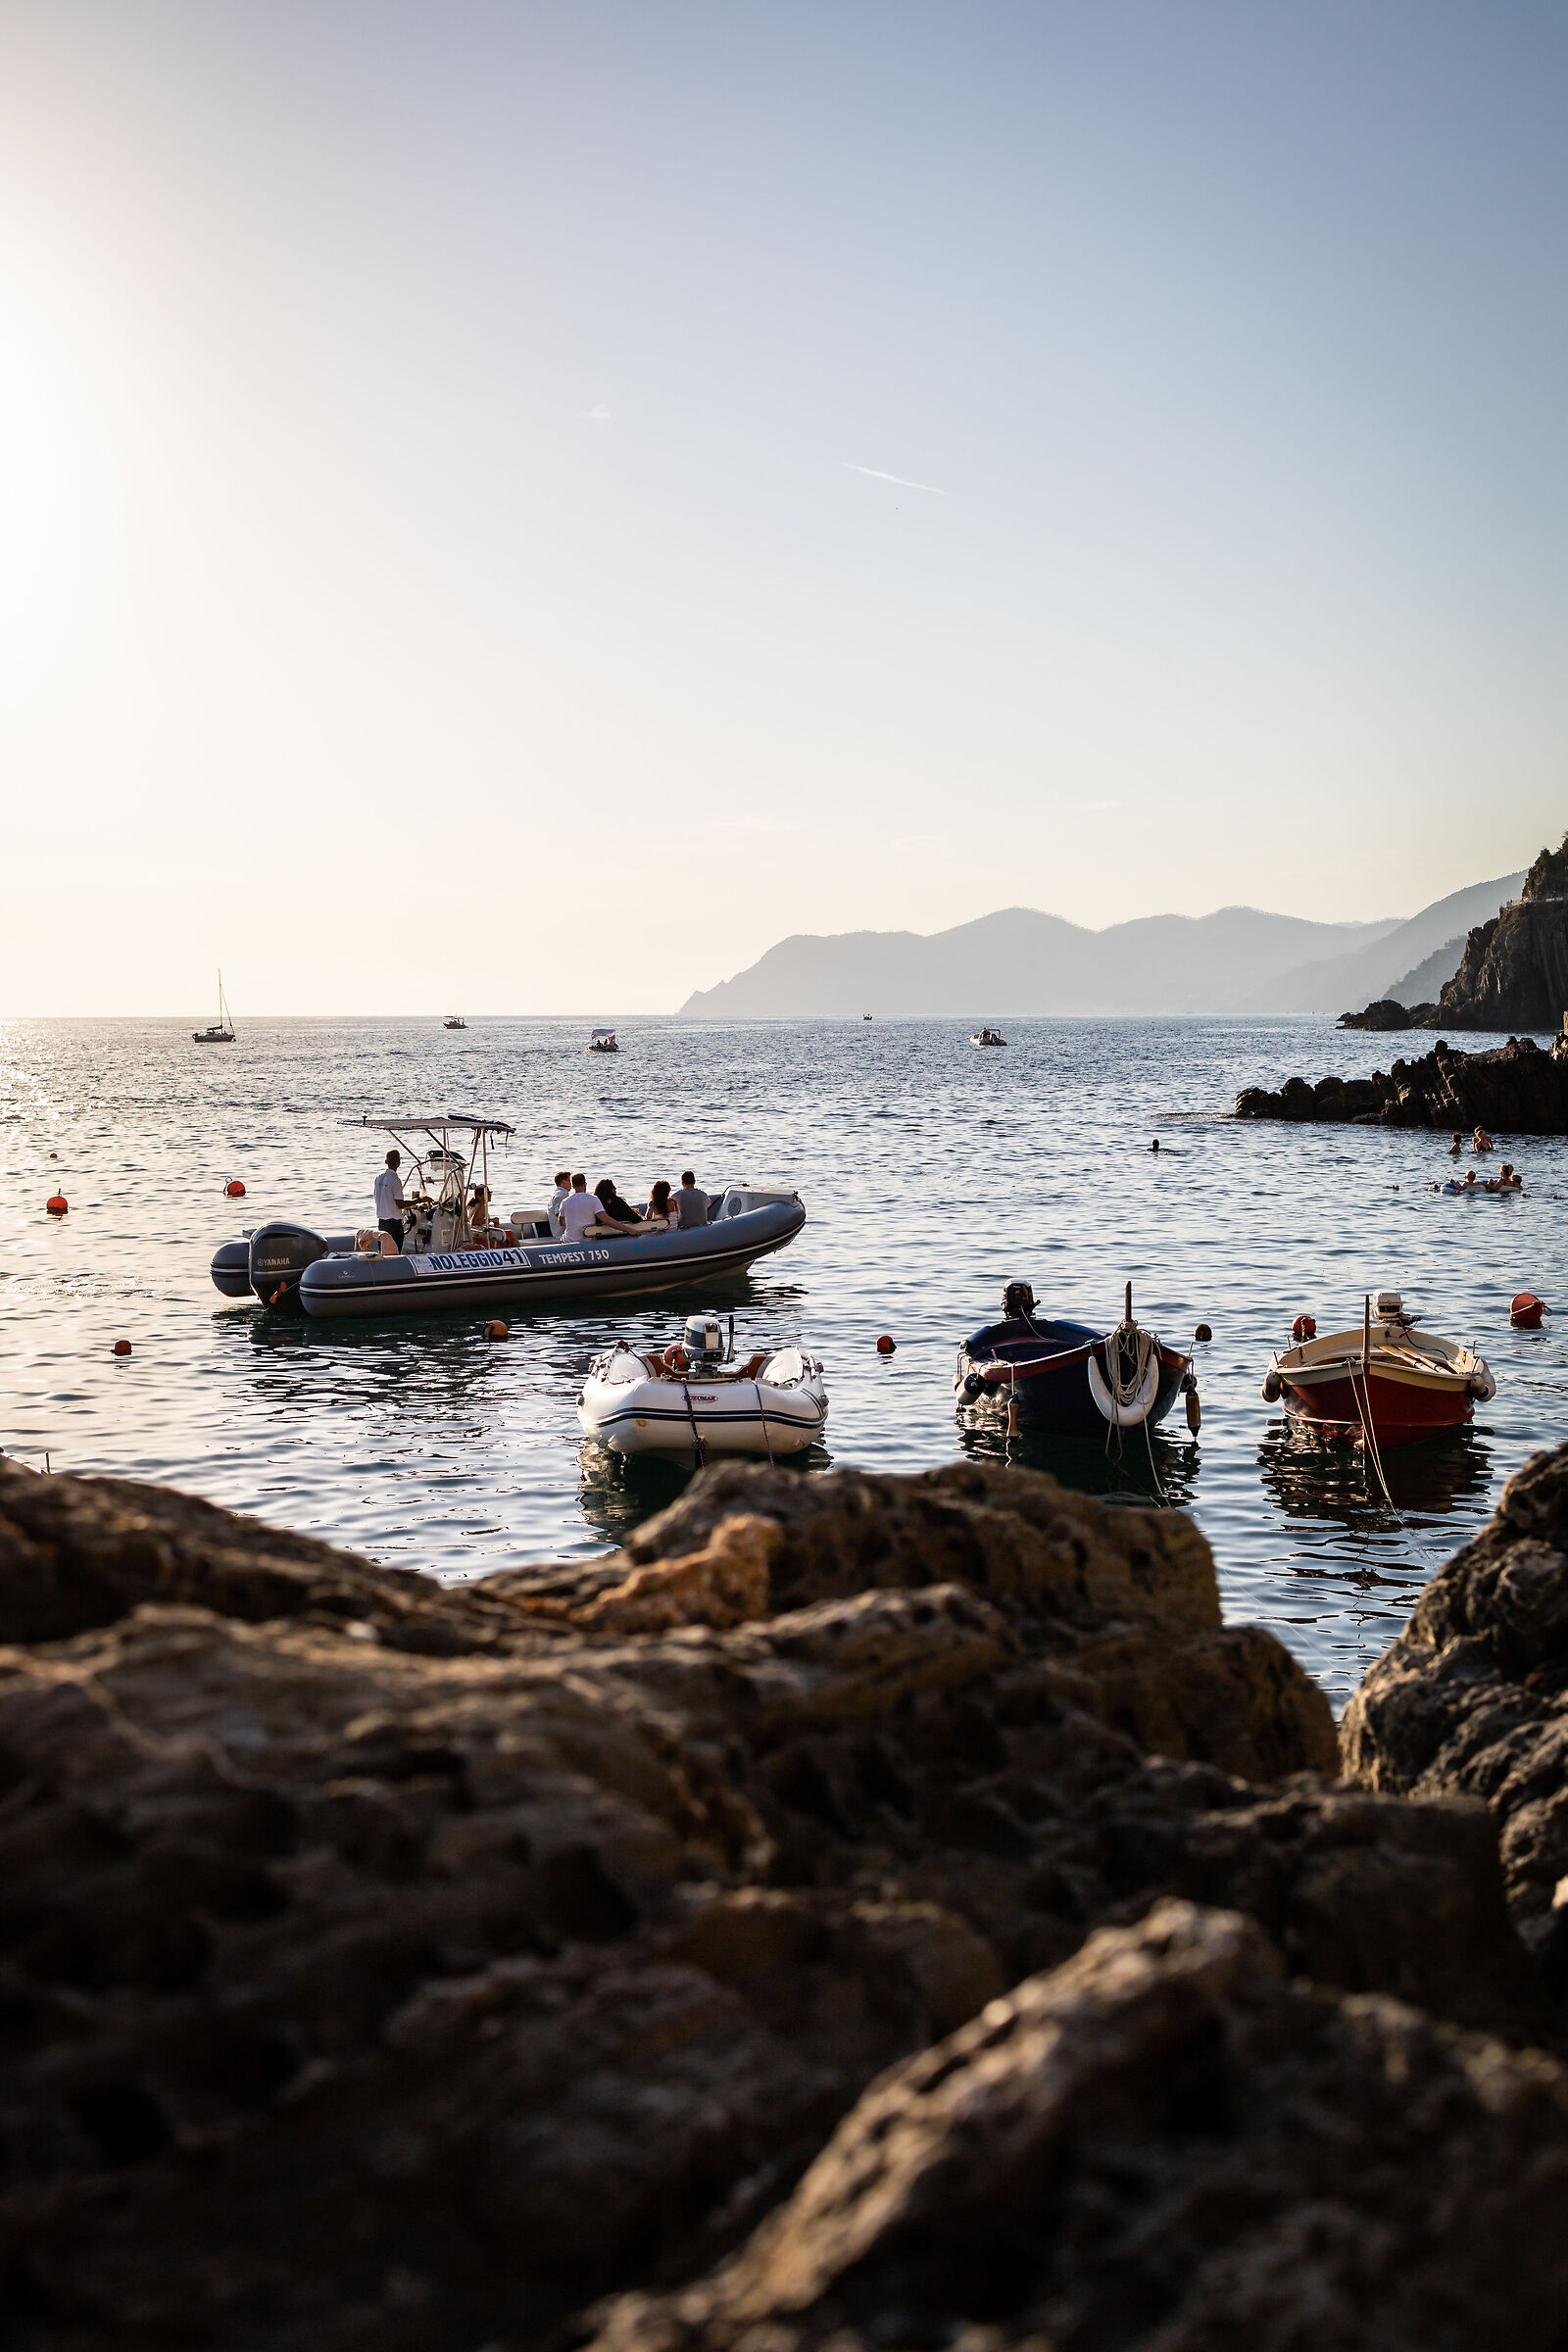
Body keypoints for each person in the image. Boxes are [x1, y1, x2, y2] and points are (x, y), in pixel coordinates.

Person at [373, 1150, 407, 1252]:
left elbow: (376, 1198)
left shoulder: (378, 1178)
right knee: (395, 1252)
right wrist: (419, 1200)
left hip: (382, 1223)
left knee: (383, 1252)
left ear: (386, 1161)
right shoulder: (395, 1180)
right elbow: (400, 1204)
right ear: (398, 1162)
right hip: (393, 1224)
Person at [559, 1173, 603, 1244]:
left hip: (567, 1241)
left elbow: (561, 1222)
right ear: (585, 1184)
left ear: (573, 1186)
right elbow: (605, 1219)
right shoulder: (593, 1199)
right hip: (587, 1241)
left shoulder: (565, 1201)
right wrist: (625, 1228)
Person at [548, 1168, 572, 1238]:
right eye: (569, 1180)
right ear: (563, 1182)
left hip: (556, 1231)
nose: (571, 1183)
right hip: (561, 1233)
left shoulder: (555, 1193)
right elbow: (558, 1213)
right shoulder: (562, 1194)